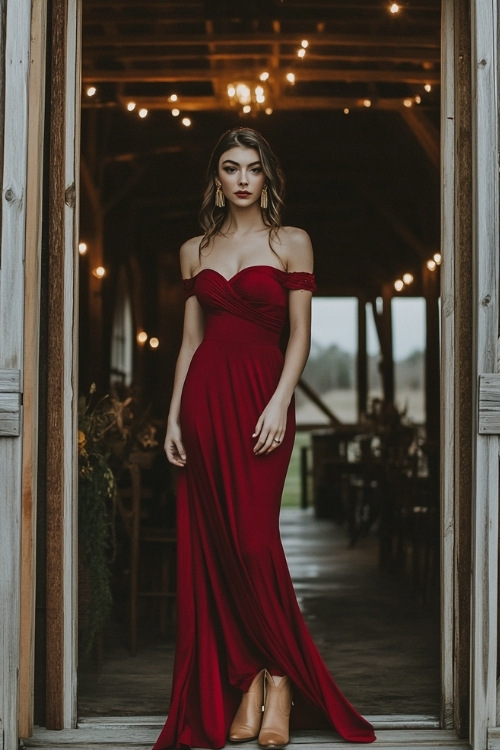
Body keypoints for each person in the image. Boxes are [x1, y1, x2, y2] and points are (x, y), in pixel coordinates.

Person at [152, 127, 375, 750]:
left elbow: (299, 335)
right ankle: (246, 683)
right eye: (231, 167)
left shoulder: (291, 242)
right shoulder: (194, 250)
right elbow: (190, 343)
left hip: (262, 403)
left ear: (267, 177)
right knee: (217, 549)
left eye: (253, 168)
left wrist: (281, 400)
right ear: (217, 180)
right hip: (204, 405)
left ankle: (280, 677)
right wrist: (173, 415)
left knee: (252, 543)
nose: (243, 178)